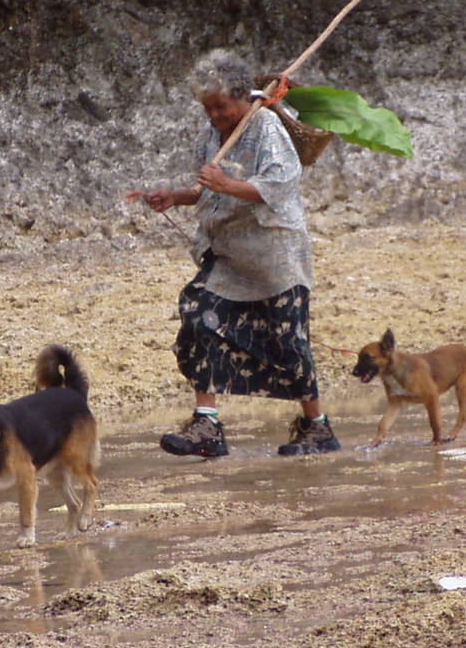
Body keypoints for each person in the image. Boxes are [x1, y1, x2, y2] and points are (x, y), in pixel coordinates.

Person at [134, 49, 339, 458]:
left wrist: (225, 184)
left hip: (274, 254)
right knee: (199, 314)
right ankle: (206, 424)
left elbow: (278, 185)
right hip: (228, 253)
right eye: (207, 107)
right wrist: (175, 197)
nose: (213, 115)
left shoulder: (266, 127)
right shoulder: (211, 134)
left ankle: (317, 428)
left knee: (289, 339)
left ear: (241, 98)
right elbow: (204, 189)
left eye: (220, 106)